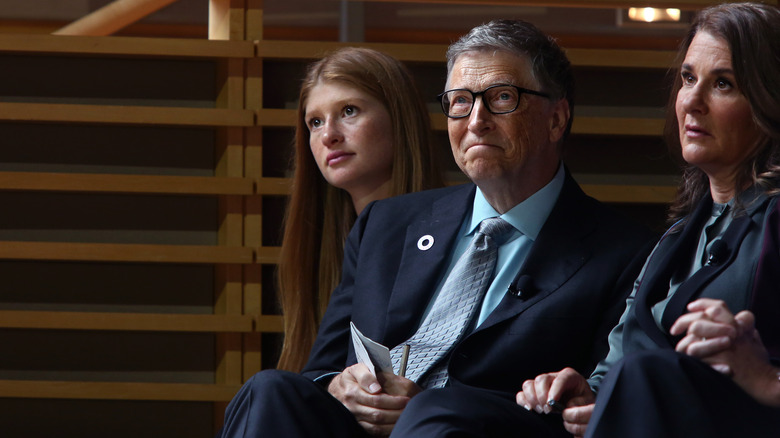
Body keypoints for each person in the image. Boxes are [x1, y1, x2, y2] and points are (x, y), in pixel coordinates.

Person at [217, 19, 653, 437]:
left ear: (557, 119)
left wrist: (423, 405)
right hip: (357, 429)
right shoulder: (386, 224)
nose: (476, 120)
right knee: (269, 390)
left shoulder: (625, 253)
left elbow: (596, 406)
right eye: (461, 101)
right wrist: (338, 386)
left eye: (502, 98)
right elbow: (319, 370)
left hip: (473, 428)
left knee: (437, 410)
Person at [516, 3, 780, 437]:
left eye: (724, 84)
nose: (692, 101)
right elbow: (617, 367)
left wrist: (764, 378)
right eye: (688, 78)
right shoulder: (676, 237)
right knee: (449, 408)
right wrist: (589, 397)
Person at [276, 47, 444, 373]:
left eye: (349, 111)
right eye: (315, 122)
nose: (329, 136)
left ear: (400, 117)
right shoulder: (319, 253)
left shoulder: (462, 234)